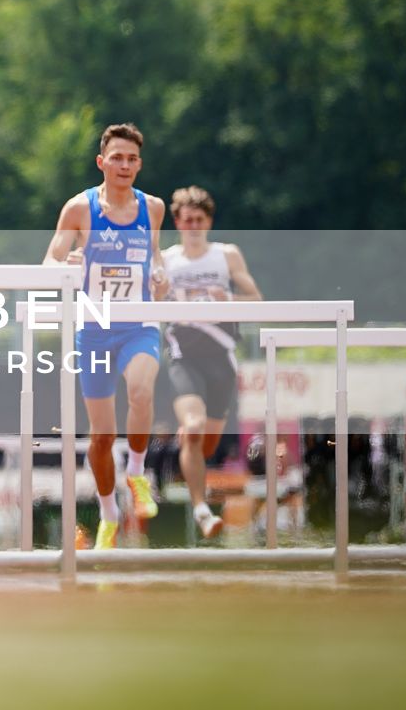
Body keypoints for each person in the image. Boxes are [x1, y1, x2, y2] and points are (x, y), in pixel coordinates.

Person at [43, 122, 170, 550]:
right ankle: (108, 512)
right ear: (101, 162)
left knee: (141, 391)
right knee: (100, 437)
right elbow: (49, 260)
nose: (124, 165)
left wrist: (161, 274)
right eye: (116, 157)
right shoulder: (80, 209)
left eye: (132, 158)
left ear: (140, 164)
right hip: (94, 329)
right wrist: (67, 261)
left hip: (139, 324)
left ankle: (136, 472)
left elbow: (154, 259)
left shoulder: (152, 207)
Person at [160, 186, 262, 541]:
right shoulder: (166, 259)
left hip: (220, 358)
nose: (192, 226)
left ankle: (184, 454)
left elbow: (256, 299)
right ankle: (202, 510)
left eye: (199, 220)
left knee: (207, 442)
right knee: (193, 425)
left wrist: (228, 297)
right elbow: (149, 299)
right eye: (187, 220)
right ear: (177, 221)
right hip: (183, 355)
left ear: (209, 222)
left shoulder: (226, 255)